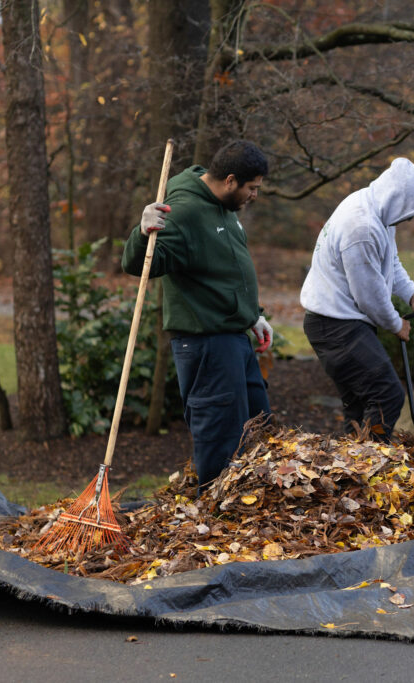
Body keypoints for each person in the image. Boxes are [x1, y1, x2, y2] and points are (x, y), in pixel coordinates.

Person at [121, 140, 272, 489]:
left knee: (260, 431)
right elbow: (140, 264)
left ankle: (253, 509)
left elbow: (225, 270)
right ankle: (218, 513)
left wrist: (253, 315)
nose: (254, 196)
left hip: (234, 338)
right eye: (252, 188)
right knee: (222, 443)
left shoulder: (224, 208)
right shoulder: (185, 212)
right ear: (230, 180)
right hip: (207, 345)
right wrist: (142, 232)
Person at [300, 157, 414, 440]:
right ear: (397, 199)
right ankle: (371, 462)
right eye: (410, 211)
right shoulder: (360, 227)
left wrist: (412, 294)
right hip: (334, 325)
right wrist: (396, 324)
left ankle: (352, 463)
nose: (410, 219)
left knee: (360, 405)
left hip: (341, 322)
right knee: (387, 395)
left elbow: (389, 262)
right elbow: (369, 296)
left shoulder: (378, 210)